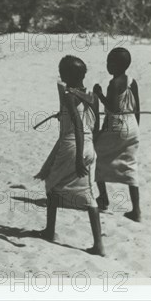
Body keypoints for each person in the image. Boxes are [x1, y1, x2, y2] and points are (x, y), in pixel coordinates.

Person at [35, 55, 105, 256]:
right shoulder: (92, 96)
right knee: (89, 195)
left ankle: (49, 231)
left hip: (73, 147)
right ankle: (99, 244)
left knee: (51, 184)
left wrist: (77, 158)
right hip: (90, 146)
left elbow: (77, 126)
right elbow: (94, 126)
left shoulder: (68, 95)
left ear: (65, 75)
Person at [93, 48, 141, 222]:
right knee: (130, 165)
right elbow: (137, 108)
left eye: (110, 63)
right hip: (132, 126)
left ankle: (104, 198)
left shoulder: (114, 84)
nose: (107, 65)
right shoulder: (132, 81)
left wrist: (99, 95)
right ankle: (136, 210)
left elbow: (113, 108)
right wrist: (136, 129)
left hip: (118, 124)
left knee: (98, 155)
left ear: (118, 65)